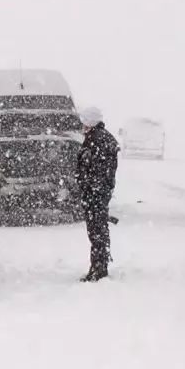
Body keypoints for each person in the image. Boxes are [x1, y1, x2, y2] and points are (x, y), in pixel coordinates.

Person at [75, 106, 119, 282]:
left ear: (90, 122)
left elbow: (96, 170)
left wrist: (90, 187)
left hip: (95, 194)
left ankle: (98, 270)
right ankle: (99, 267)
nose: (82, 125)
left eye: (84, 121)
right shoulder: (102, 138)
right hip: (98, 193)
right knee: (98, 232)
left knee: (97, 232)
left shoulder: (96, 140)